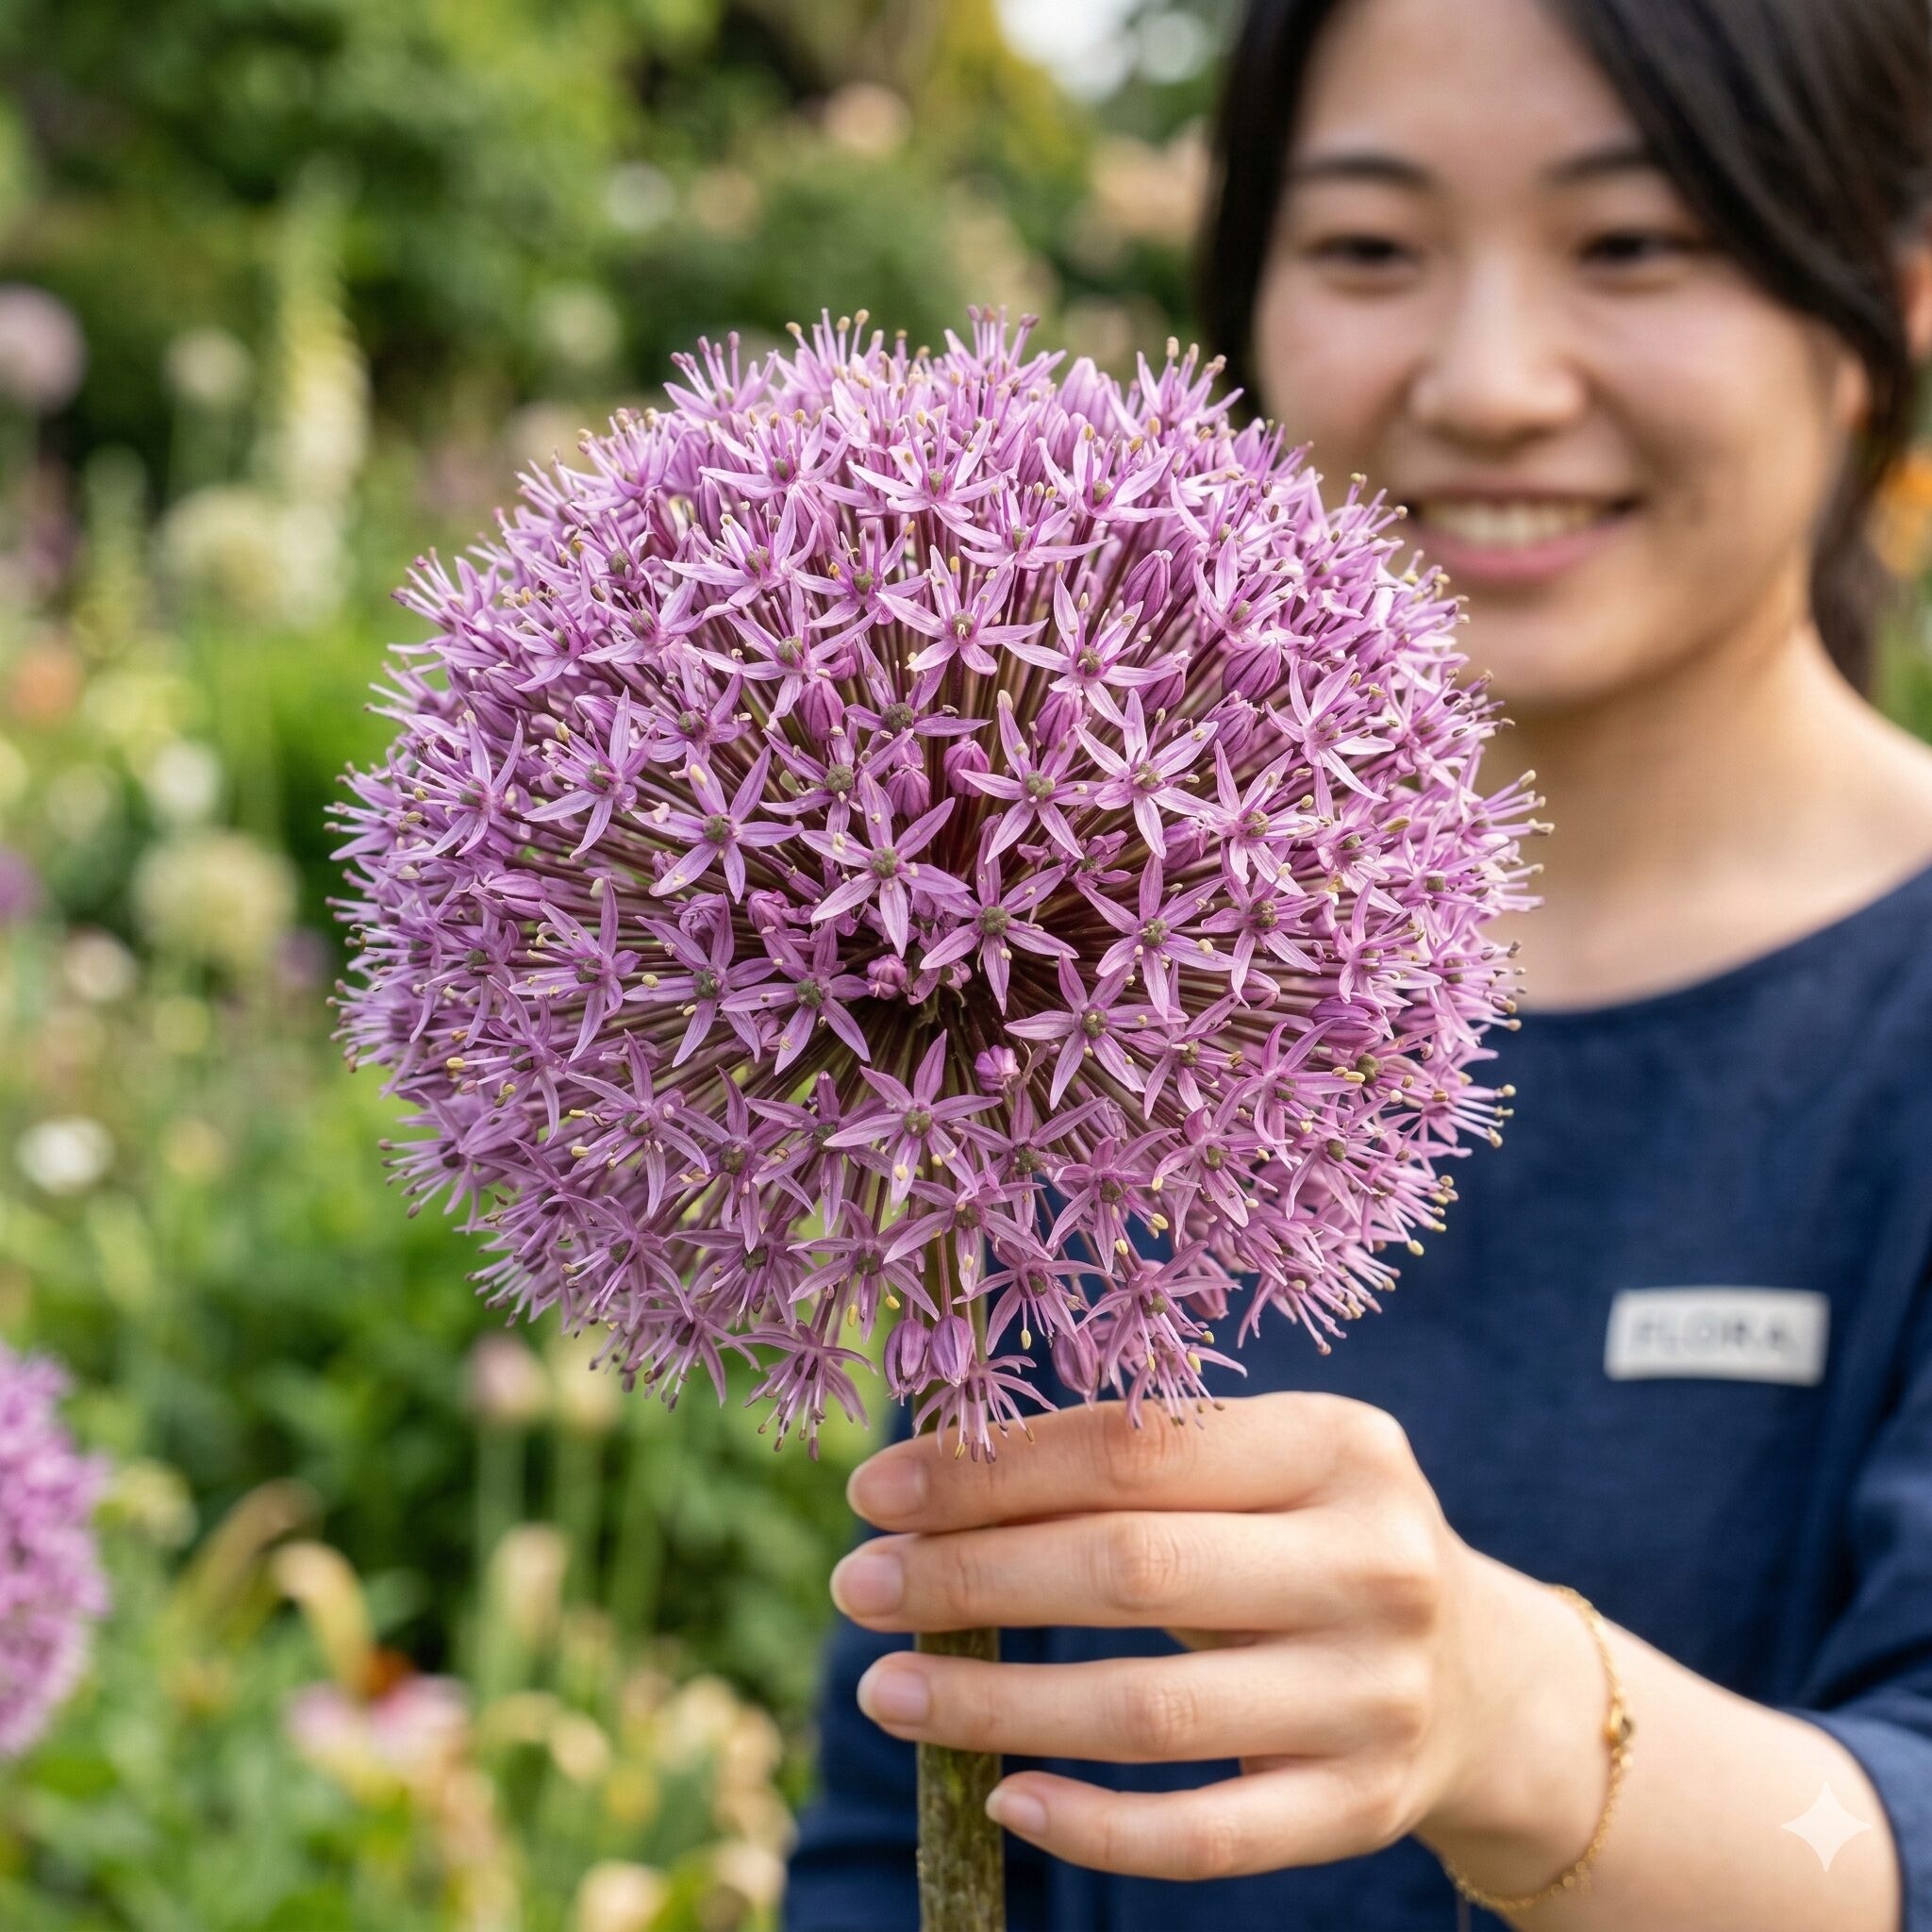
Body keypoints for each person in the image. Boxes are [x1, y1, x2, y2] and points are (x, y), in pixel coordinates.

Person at [781, 0, 1932, 1924]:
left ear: (1888, 303)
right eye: (1368, 249)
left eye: (1633, 241)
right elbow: (893, 1808)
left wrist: (1515, 1721)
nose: (1486, 384)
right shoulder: (1037, 951)